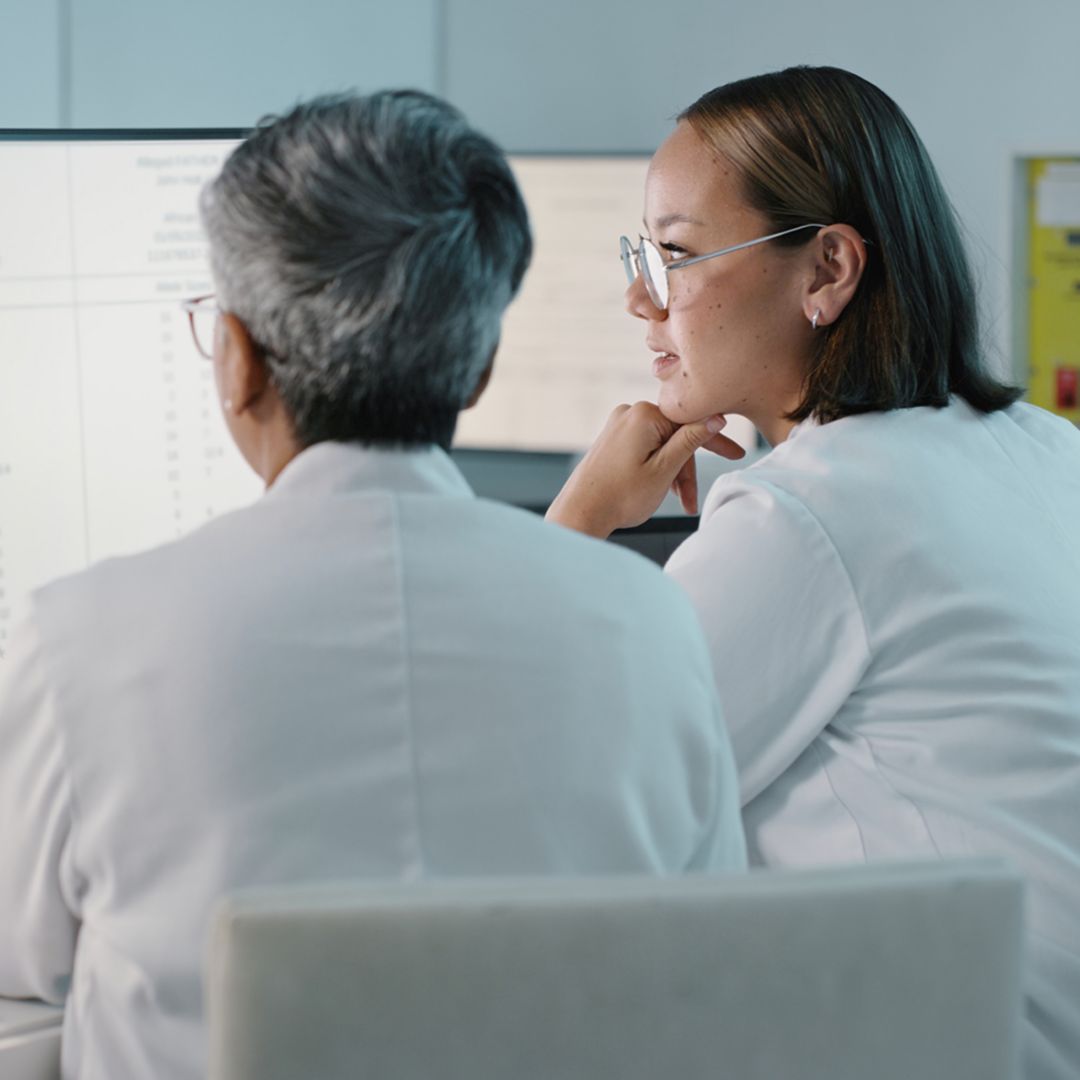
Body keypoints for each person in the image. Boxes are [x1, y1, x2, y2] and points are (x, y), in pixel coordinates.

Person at [0, 91, 746, 1080]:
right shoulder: (646, 622)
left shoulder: (79, 643)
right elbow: (712, 951)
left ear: (237, 362)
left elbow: (25, 966)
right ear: (476, 370)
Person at [546, 65, 1080, 1080]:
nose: (636, 299)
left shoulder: (810, 515)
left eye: (674, 255)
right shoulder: (1045, 446)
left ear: (828, 270)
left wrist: (579, 518)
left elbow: (547, 797)